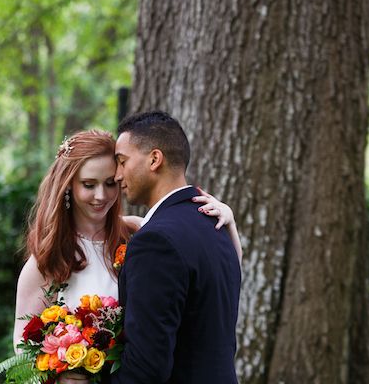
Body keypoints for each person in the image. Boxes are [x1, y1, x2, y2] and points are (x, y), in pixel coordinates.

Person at [13, 129, 241, 383]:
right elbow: (24, 350)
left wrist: (228, 225)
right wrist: (57, 374)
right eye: (89, 185)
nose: (101, 196)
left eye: (110, 183)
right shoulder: (49, 259)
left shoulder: (138, 234)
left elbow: (219, 274)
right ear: (68, 186)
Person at [111, 111, 242, 383]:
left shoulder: (155, 242)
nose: (116, 175)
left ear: (154, 159)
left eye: (122, 162)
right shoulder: (215, 224)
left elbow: (147, 367)